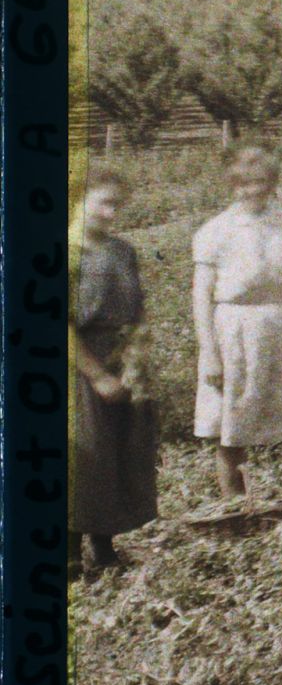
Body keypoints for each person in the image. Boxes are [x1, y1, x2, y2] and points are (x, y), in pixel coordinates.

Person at [192, 146, 282, 503]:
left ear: (273, 183)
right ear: (232, 185)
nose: (253, 191)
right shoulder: (215, 231)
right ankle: (236, 505)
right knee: (231, 422)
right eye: (244, 184)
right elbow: (202, 298)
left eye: (261, 182)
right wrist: (210, 353)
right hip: (233, 329)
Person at [69, 169, 156, 576]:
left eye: (117, 205)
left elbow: (138, 313)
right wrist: (98, 375)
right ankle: (67, 555)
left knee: (114, 455)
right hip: (76, 365)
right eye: (103, 202)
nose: (111, 213)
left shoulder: (123, 252)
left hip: (119, 358)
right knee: (79, 458)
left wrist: (133, 361)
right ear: (77, 200)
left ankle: (104, 547)